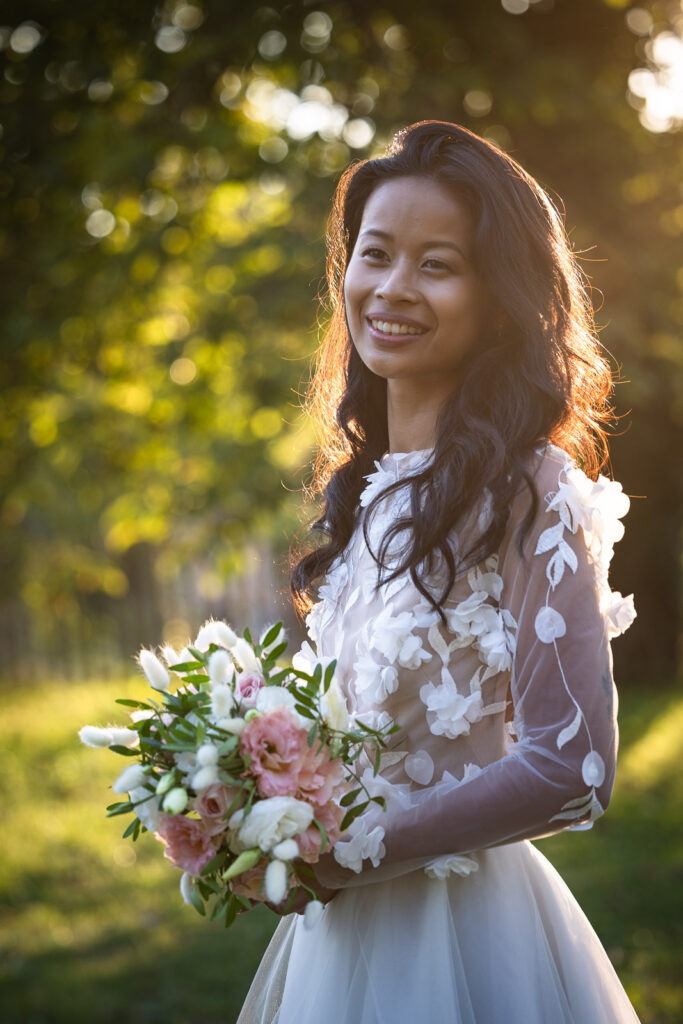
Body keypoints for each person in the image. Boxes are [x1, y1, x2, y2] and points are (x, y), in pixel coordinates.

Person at [236, 120, 640, 1023]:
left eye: (437, 265)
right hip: (336, 949)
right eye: (375, 254)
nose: (391, 288)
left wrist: (340, 855)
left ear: (497, 300)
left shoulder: (530, 491)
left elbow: (572, 765)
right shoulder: (367, 497)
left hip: (462, 936)